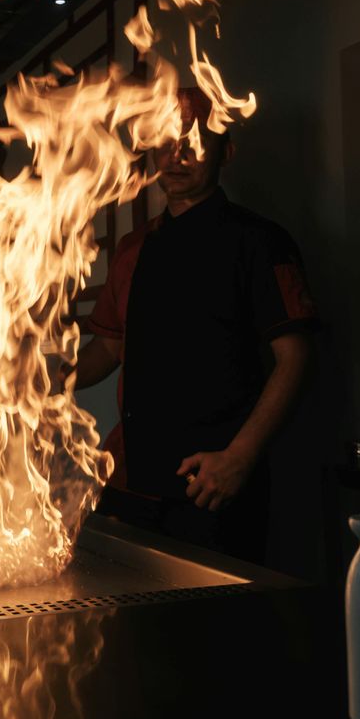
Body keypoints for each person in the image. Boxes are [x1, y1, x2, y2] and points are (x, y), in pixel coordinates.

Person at [75, 86, 318, 564]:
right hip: (129, 481)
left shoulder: (260, 242)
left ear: (226, 151)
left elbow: (297, 358)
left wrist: (239, 458)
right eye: (166, 139)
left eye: (196, 140)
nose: (177, 153)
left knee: (212, 635)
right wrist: (29, 381)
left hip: (212, 487)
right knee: (123, 631)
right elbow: (108, 351)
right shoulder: (133, 248)